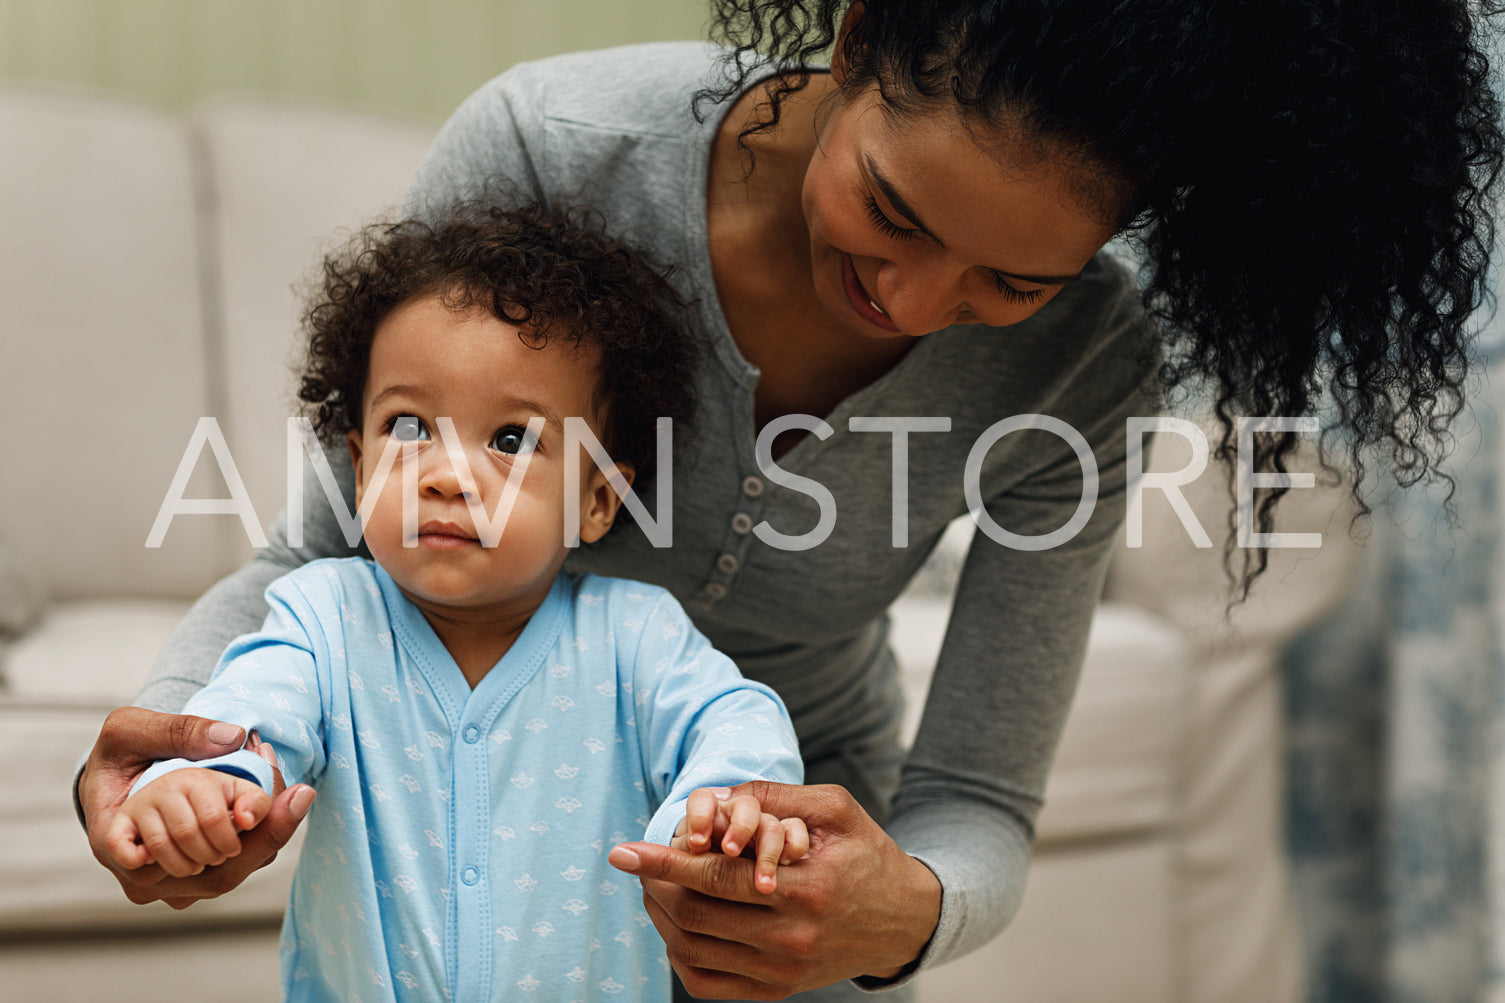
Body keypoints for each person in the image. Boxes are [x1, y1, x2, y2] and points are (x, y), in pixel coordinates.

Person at [79, 2, 1505, 1000]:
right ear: (860, 33)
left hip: (783, 862)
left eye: (1012, 280)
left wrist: (897, 919)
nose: (919, 300)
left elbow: (974, 797)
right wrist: (169, 768)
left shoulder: (1085, 359)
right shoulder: (555, 149)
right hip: (467, 848)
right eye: (895, 208)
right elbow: (321, 553)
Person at [101, 203, 807, 1002]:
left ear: (598, 499)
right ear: (361, 470)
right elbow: (254, 710)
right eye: (409, 426)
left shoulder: (635, 636)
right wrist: (208, 782)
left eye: (510, 439)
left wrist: (721, 809)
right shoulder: (325, 615)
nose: (445, 474)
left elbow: (734, 718)